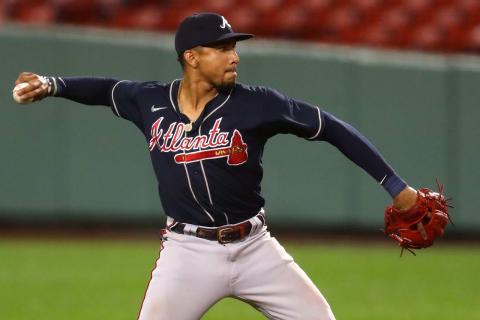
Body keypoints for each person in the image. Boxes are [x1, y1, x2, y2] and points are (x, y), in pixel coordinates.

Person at [14, 13, 423, 320]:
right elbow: (105, 90)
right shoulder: (149, 100)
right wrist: (52, 85)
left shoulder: (259, 103)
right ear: (192, 57)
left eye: (234, 47)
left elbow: (332, 128)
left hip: (255, 248)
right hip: (187, 252)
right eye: (222, 48)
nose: (234, 56)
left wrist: (396, 186)